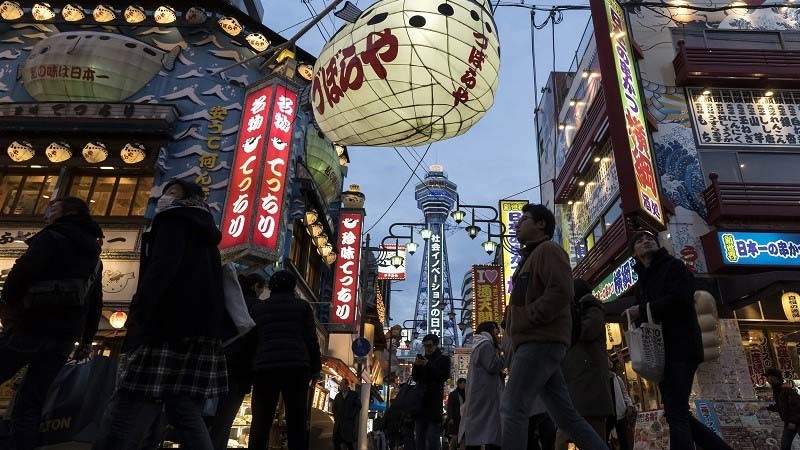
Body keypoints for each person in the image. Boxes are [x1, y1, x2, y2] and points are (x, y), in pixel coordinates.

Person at [94, 180, 228, 450]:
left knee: (131, 400)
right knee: (184, 407)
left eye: (172, 192)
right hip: (201, 329)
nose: (163, 197)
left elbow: (161, 268)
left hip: (165, 323)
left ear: (187, 198)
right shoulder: (206, 232)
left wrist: (141, 309)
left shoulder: (174, 220)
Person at [500, 203, 608, 450]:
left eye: (524, 219)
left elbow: (561, 291)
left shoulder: (548, 250)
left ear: (541, 224)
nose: (517, 224)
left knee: (512, 408)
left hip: (539, 340)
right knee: (566, 418)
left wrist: (527, 318)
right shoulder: (530, 258)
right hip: (539, 341)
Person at [0, 197, 103, 450]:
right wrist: (87, 339)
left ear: (69, 213)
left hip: (30, 325)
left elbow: (20, 275)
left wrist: (9, 306)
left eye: (51, 209)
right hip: (64, 338)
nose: (46, 215)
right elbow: (95, 300)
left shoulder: (51, 238)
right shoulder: (94, 254)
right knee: (32, 400)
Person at [623, 230, 732, 450]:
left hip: (682, 347)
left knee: (677, 413)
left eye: (649, 238)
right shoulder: (642, 280)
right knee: (676, 411)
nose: (646, 241)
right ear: (633, 253)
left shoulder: (673, 266)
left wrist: (643, 309)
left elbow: (681, 299)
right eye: (639, 241)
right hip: (661, 352)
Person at [248, 269, 321, 450]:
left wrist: (251, 366)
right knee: (296, 420)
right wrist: (316, 367)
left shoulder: (258, 308)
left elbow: (252, 340)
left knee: (260, 421)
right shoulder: (303, 307)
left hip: (265, 369)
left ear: (271, 287)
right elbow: (311, 340)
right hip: (296, 368)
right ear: (292, 286)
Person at [555, 279, 614, 449]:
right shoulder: (580, 312)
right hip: (578, 388)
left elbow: (585, 332)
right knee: (565, 437)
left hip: (590, 390)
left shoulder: (592, 311)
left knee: (592, 438)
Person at [209, 273, 265, 450]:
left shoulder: (226, 299)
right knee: (224, 421)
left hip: (215, 364)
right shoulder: (258, 307)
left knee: (204, 416)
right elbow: (257, 341)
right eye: (262, 288)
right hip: (240, 371)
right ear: (256, 286)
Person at [460, 321, 504, 450]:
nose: (498, 334)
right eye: (496, 331)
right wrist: (504, 357)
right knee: (490, 427)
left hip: (479, 393)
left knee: (479, 428)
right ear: (490, 330)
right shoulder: (486, 345)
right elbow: (492, 365)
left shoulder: (478, 345)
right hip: (486, 394)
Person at [412, 334, 452, 450]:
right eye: (425, 346)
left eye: (429, 346)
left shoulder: (444, 359)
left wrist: (428, 365)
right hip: (420, 404)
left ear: (436, 345)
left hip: (434, 404)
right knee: (419, 438)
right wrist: (416, 366)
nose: (427, 349)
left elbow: (442, 377)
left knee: (433, 438)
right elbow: (415, 378)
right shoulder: (423, 358)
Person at [764, 368, 800, 450]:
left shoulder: (785, 389)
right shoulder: (777, 389)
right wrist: (767, 407)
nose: (767, 379)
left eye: (768, 377)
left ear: (774, 377)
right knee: (785, 445)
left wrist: (792, 421)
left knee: (785, 444)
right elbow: (781, 406)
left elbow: (796, 406)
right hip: (789, 422)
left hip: (795, 422)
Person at [607, 359, 635, 450]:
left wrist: (629, 405)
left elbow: (625, 393)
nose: (608, 363)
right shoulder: (601, 380)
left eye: (609, 360)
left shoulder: (617, 378)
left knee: (624, 440)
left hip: (620, 414)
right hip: (607, 415)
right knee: (607, 439)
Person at [333, 380, 361, 450]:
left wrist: (351, 415)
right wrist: (336, 418)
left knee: (349, 444)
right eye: (340, 385)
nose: (340, 387)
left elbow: (358, 406)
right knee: (336, 443)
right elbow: (334, 408)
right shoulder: (338, 396)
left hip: (348, 425)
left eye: (342, 385)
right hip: (339, 425)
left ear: (346, 385)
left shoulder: (353, 395)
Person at [446, 378, 466, 450]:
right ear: (459, 384)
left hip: (464, 418)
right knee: (455, 436)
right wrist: (450, 418)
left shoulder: (467, 393)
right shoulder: (453, 394)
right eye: (463, 383)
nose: (465, 385)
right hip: (455, 418)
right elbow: (450, 407)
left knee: (463, 437)